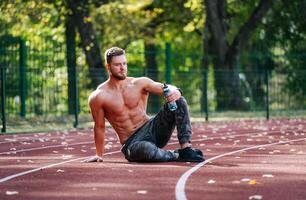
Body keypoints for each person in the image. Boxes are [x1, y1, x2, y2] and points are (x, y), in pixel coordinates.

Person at [86, 47, 204, 163]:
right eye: (117, 65)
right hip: (132, 142)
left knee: (179, 101)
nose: (122, 68)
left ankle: (186, 149)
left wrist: (176, 91)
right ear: (108, 66)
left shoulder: (139, 83)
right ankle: (176, 155)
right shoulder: (99, 96)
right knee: (145, 149)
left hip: (153, 128)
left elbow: (165, 87)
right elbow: (99, 127)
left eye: (124, 63)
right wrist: (99, 154)